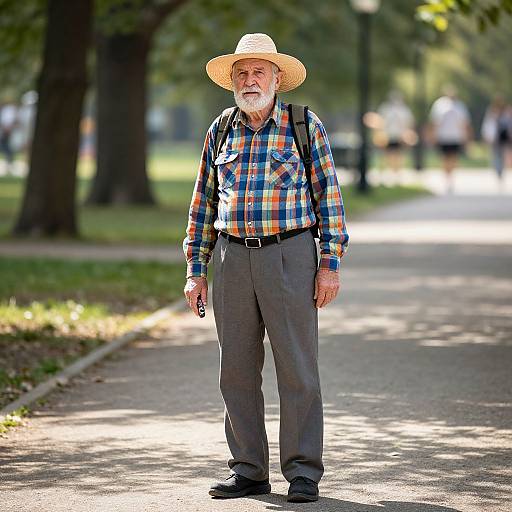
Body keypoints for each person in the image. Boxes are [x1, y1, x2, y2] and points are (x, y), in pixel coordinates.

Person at [182, 33, 349, 502]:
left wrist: (328, 263)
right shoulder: (221, 129)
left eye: (259, 72)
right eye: (242, 73)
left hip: (289, 255)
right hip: (231, 257)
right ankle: (249, 469)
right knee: (235, 369)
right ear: (231, 81)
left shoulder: (303, 125)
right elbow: (203, 203)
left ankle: (302, 471)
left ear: (278, 78)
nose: (249, 80)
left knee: (297, 367)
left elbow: (329, 198)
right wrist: (196, 268)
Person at [427, 85, 472, 193]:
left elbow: (464, 124)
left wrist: (466, 138)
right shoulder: (439, 105)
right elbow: (434, 122)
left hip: (456, 137)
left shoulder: (460, 106)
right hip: (443, 137)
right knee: (445, 158)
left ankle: (451, 178)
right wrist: (433, 136)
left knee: (453, 158)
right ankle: (446, 178)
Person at [376, 90, 415, 181]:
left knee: (398, 155)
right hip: (388, 135)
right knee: (388, 154)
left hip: (399, 135)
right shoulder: (385, 108)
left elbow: (408, 122)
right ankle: (389, 172)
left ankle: (397, 173)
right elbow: (381, 121)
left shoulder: (404, 110)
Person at [481, 94, 512, 185]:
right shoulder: (491, 112)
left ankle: (501, 171)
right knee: (495, 155)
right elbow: (487, 125)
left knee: (503, 156)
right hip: (495, 138)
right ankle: (498, 171)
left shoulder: (507, 111)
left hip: (505, 138)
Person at [0, 99, 19, 175]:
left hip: (10, 134)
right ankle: (9, 163)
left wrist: (9, 129)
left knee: (10, 149)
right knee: (6, 148)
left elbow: (15, 121)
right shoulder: (6, 111)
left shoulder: (11, 111)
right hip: (4, 134)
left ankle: (10, 163)